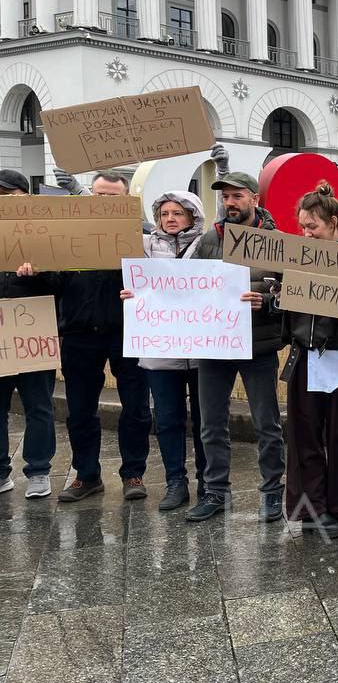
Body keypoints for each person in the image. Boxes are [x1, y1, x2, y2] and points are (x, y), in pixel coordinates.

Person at [185, 172, 286, 523]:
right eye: (226, 196)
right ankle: (216, 491)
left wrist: (270, 302)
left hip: (258, 345)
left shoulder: (277, 241)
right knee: (211, 423)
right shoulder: (209, 239)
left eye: (237, 196)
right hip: (215, 344)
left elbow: (295, 292)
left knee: (266, 423)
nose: (230, 202)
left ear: (255, 199)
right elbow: (184, 287)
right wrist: (143, 298)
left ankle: (273, 492)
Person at [271, 183, 338, 539]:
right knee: (305, 436)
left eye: (313, 227)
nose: (306, 234)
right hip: (305, 356)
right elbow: (281, 301)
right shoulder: (294, 256)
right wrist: (275, 297)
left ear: (335, 223)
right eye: (302, 227)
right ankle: (312, 508)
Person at [53, 171, 152, 503]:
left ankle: (133, 473)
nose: (105, 203)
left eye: (113, 198)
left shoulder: (143, 238)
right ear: (88, 197)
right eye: (99, 196)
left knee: (136, 408)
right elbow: (52, 284)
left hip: (129, 334)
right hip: (79, 334)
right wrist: (32, 269)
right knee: (80, 409)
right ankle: (86, 475)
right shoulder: (66, 238)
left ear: (125, 202)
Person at [119, 191, 208, 510]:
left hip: (203, 351)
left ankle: (207, 481)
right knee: (169, 420)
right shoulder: (143, 246)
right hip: (160, 351)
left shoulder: (208, 244)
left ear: (193, 216)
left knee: (205, 421)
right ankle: (175, 482)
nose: (170, 218)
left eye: (178, 213)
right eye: (165, 213)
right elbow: (105, 229)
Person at [0, 171, 58, 500]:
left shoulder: (44, 236)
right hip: (2, 335)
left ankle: (38, 470)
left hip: (34, 335)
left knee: (39, 405)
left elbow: (60, 287)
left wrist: (40, 273)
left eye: (10, 195)